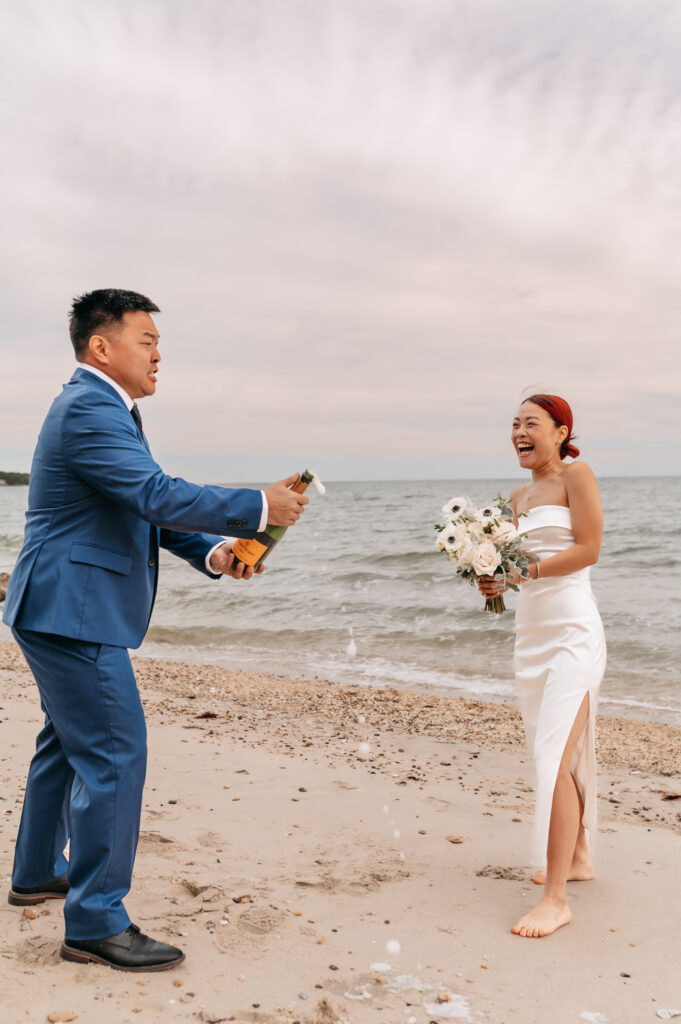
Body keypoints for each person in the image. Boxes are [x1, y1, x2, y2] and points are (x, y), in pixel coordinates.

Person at [3, 289, 309, 971]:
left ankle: (36, 873)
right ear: (101, 347)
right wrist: (259, 505)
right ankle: (94, 921)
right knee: (114, 752)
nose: (158, 352)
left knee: (67, 742)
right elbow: (155, 493)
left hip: (56, 606)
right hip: (72, 611)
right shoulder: (89, 407)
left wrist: (214, 552)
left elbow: (143, 509)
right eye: (146, 339)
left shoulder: (103, 411)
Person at [478, 393, 606, 938]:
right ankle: (577, 858)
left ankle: (556, 900)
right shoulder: (517, 494)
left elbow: (589, 548)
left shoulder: (577, 476)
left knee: (552, 756)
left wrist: (522, 573)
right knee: (558, 751)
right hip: (529, 634)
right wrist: (489, 578)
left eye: (531, 423)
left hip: (574, 631)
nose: (519, 432)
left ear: (560, 431)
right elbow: (512, 566)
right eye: (514, 424)